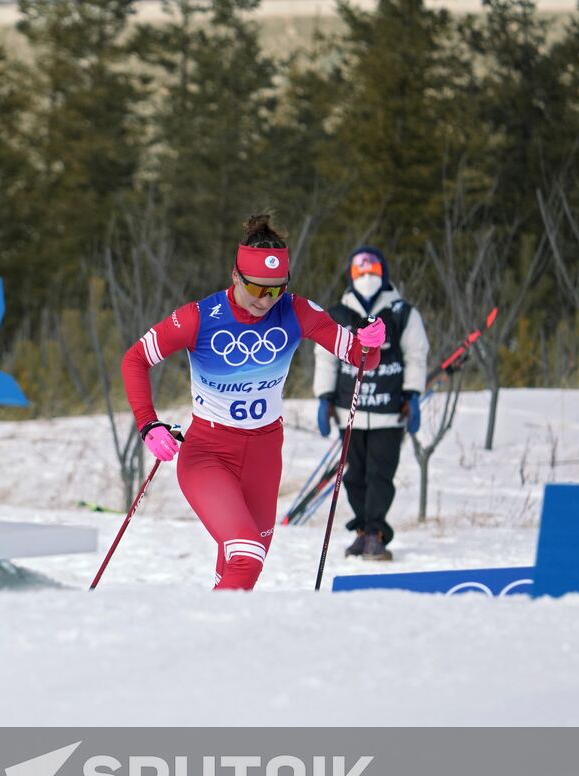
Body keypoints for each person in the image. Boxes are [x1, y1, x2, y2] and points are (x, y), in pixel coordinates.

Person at [120, 213, 384, 591]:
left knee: (241, 567)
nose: (266, 300)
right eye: (258, 289)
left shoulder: (295, 311)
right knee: (246, 554)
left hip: (264, 455)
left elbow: (363, 360)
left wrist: (371, 342)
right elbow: (135, 359)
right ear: (235, 276)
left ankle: (218, 641)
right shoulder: (200, 317)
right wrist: (149, 424)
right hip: (209, 452)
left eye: (276, 290)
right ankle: (193, 640)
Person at [312, 247, 429, 561]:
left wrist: (412, 395)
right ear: (350, 276)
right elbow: (325, 358)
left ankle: (377, 533)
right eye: (360, 273)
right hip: (349, 412)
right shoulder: (337, 314)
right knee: (353, 475)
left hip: (388, 413)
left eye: (372, 272)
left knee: (380, 474)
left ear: (384, 274)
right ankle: (362, 531)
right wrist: (324, 399)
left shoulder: (402, 313)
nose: (366, 278)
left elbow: (417, 357)